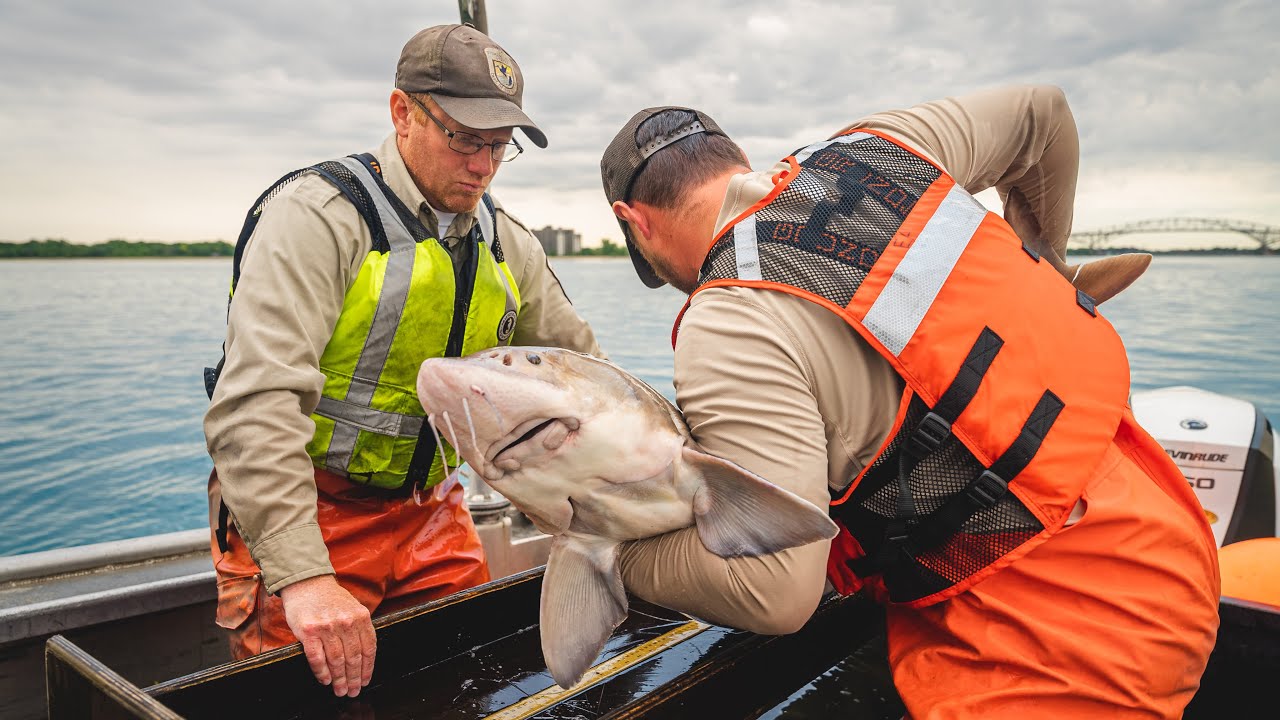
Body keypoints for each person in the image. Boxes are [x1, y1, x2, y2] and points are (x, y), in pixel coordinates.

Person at [599, 85, 1220, 718]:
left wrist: (610, 550)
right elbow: (1045, 113)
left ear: (635, 221)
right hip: (1168, 548)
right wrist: (1049, 264)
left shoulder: (726, 318)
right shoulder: (883, 149)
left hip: (1051, 650)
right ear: (731, 158)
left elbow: (775, 594)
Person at [203, 24, 602, 698]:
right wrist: (304, 578)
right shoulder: (318, 218)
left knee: (469, 688)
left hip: (432, 511)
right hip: (310, 510)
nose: (482, 166)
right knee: (296, 704)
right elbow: (256, 406)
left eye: (499, 147)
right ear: (401, 112)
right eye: (464, 139)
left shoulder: (508, 243)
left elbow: (584, 374)